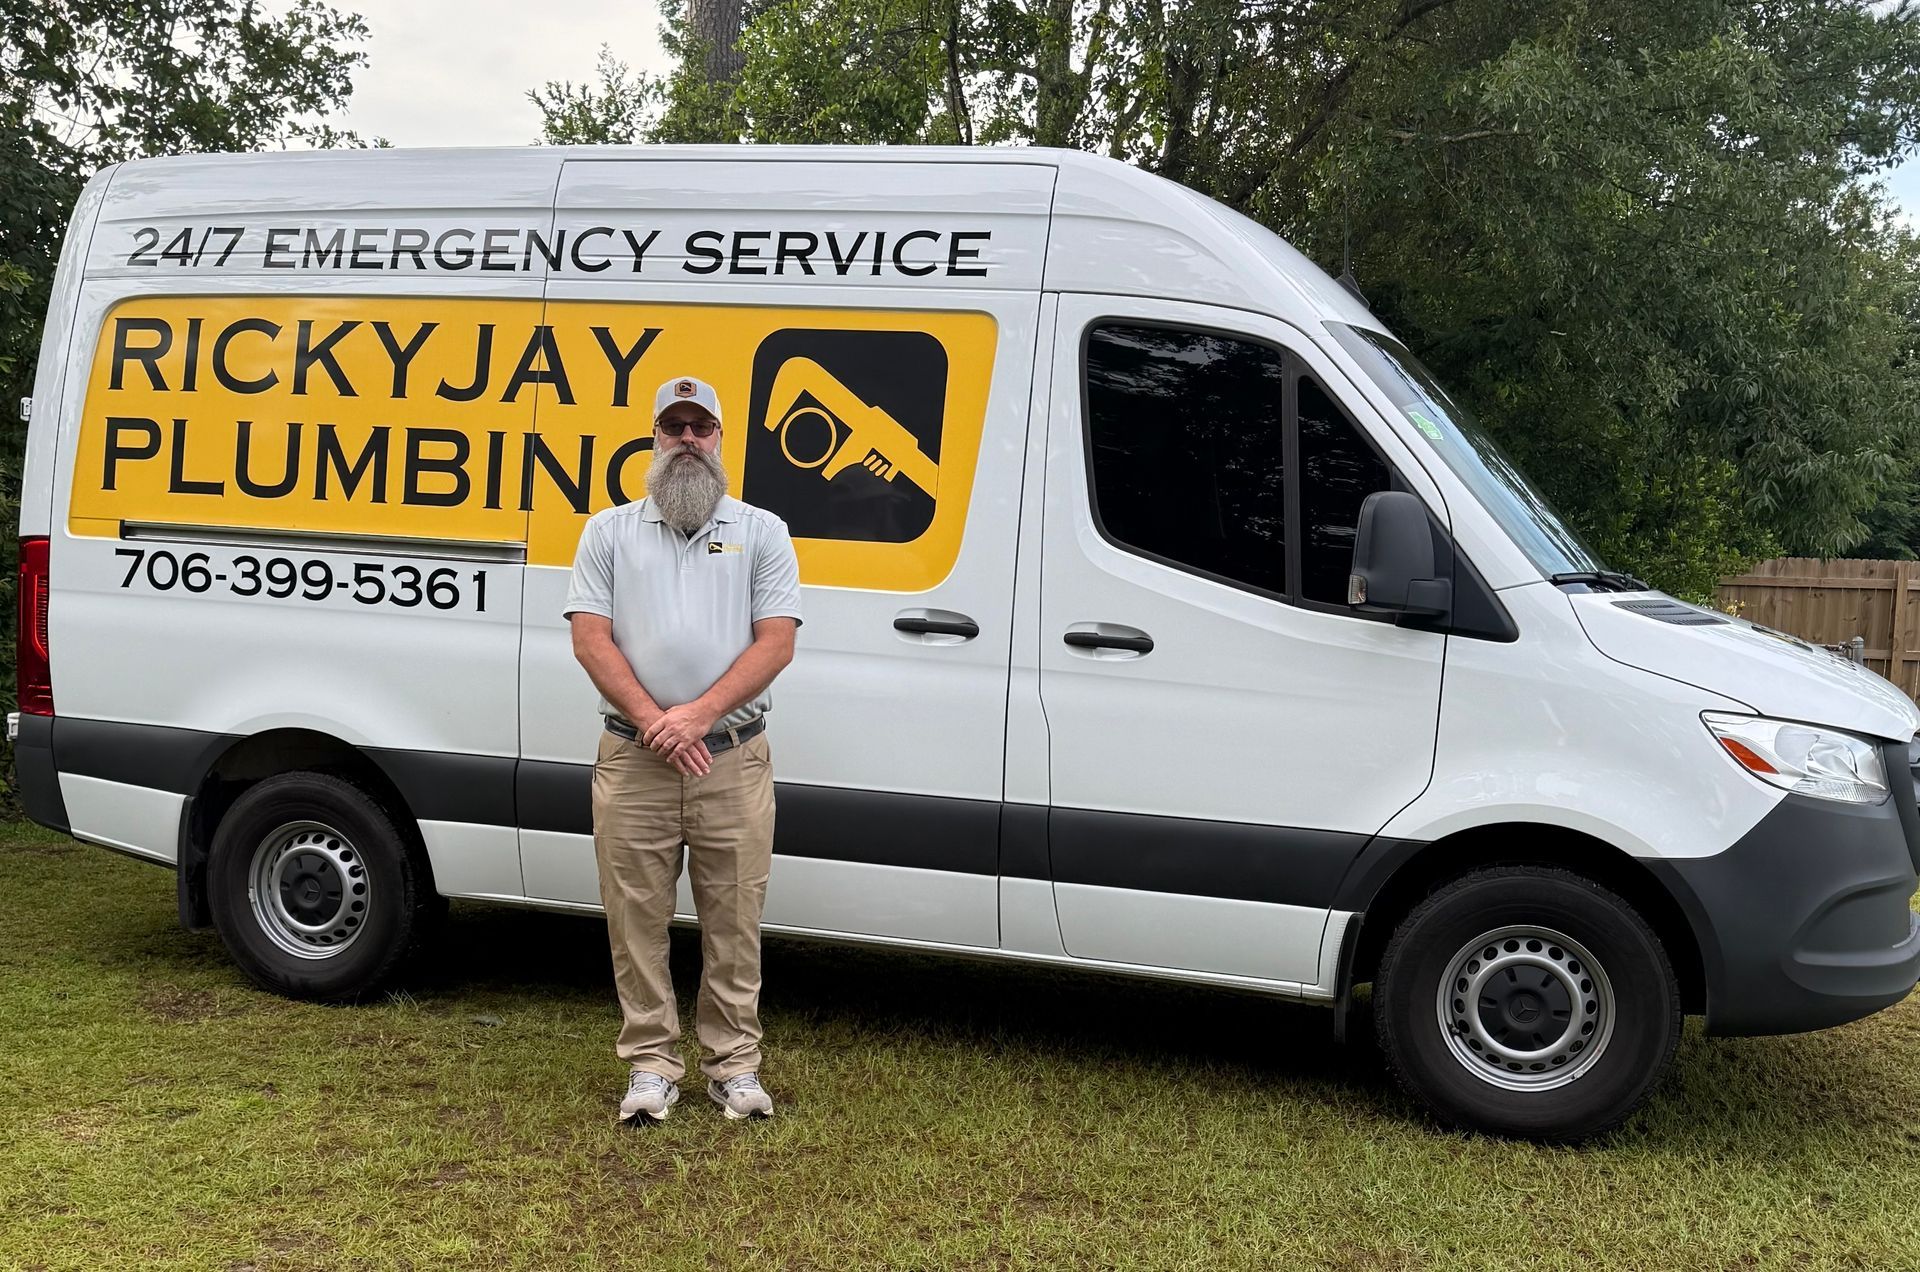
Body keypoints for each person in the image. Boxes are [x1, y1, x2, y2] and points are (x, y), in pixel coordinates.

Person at [563, 375, 802, 1123]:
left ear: (721, 440)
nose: (688, 441)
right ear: (655, 439)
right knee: (634, 916)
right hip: (635, 756)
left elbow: (777, 642)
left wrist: (695, 715)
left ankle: (734, 1067)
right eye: (675, 428)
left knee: (734, 918)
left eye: (702, 428)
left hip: (731, 755)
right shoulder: (608, 531)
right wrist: (658, 720)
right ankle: (650, 1066)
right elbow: (589, 636)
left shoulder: (762, 530)